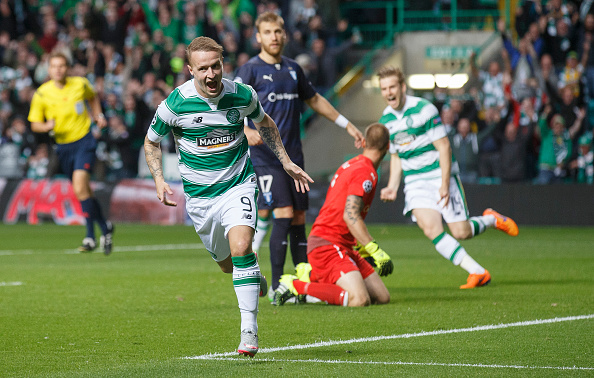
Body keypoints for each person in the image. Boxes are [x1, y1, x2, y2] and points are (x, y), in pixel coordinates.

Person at [143, 36, 313, 358]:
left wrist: (286, 161)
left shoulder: (242, 95)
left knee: (241, 248)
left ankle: (249, 332)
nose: (210, 75)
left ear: (223, 64)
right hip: (199, 200)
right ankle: (254, 277)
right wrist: (159, 179)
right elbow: (151, 142)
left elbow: (265, 123)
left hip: (238, 185)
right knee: (227, 266)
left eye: (216, 66)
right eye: (203, 68)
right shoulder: (175, 104)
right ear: (190, 70)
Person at [233, 12, 364, 300]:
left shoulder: (293, 69)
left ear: (285, 34)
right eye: (268, 32)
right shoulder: (249, 71)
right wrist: (244, 128)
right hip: (265, 158)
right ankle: (279, 282)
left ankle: (302, 276)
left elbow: (314, 99)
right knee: (284, 213)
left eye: (278, 31)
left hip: (294, 156)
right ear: (258, 37)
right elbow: (231, 107)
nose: (274, 36)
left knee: (299, 217)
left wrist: (347, 124)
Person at [377, 66, 519, 289]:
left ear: (402, 87)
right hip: (415, 182)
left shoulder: (424, 109)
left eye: (392, 86)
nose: (388, 92)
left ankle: (491, 219)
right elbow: (396, 157)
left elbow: (444, 147)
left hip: (438, 174)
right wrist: (392, 186)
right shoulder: (385, 120)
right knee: (431, 229)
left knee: (461, 232)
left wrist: (444, 183)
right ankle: (477, 272)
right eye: (384, 88)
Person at [273, 123, 392, 307]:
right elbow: (350, 215)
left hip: (343, 245)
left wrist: (361, 246)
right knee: (359, 300)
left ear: (363, 143)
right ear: (388, 146)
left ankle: (312, 274)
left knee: (382, 297)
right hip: (327, 244)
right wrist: (374, 250)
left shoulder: (354, 164)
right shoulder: (364, 172)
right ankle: (296, 286)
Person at [28, 51, 114, 255]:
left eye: (62, 66)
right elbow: (34, 124)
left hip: (84, 141)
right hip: (63, 147)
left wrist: (98, 115)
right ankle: (105, 227)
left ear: (67, 68)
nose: (58, 70)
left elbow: (92, 98)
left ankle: (90, 236)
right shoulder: (42, 93)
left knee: (79, 186)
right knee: (83, 191)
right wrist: (46, 125)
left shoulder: (80, 84)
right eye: (54, 66)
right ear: (49, 70)